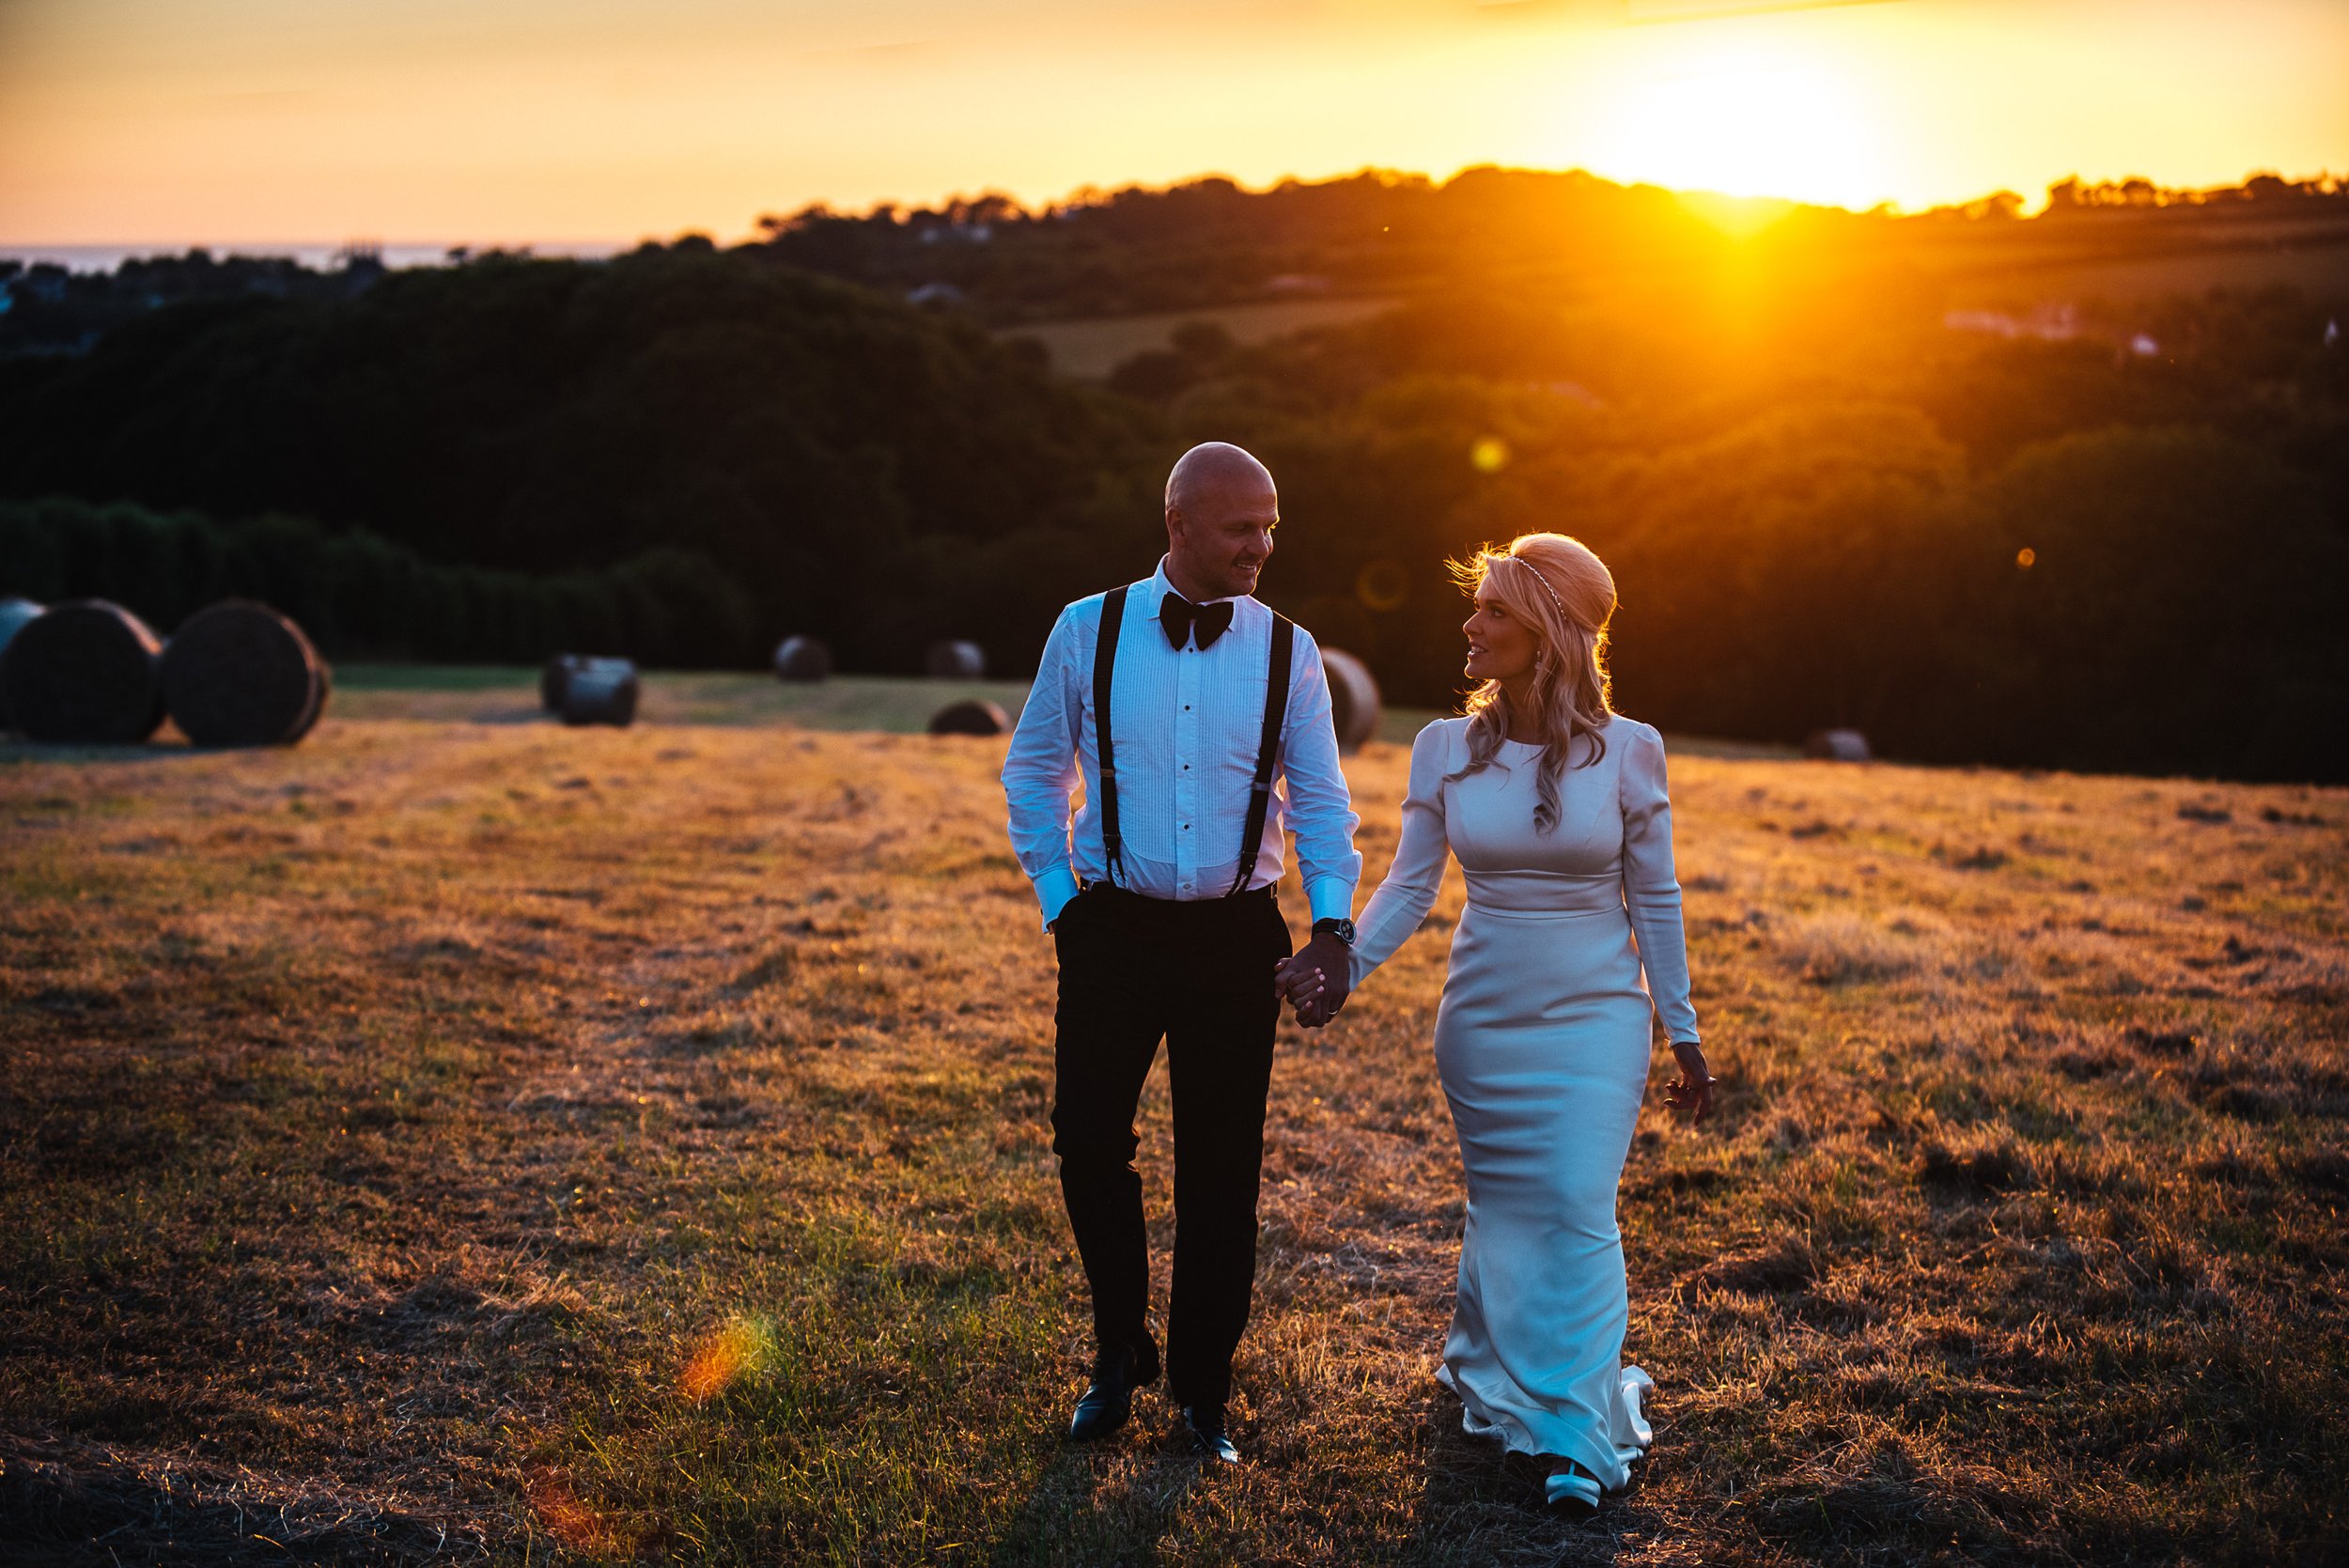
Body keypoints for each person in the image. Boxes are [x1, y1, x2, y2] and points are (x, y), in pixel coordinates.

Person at [1276, 532, 1713, 1514]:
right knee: (1507, 1207)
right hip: (1481, 1017)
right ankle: (1485, 1369)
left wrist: (1681, 1030)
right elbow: (1411, 884)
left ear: (1549, 631)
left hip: (1598, 1014)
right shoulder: (1444, 747)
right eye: (1475, 607)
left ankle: (1571, 1430)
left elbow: (1658, 899)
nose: (1470, 624)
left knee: (1573, 1204)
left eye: (1494, 610)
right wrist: (1345, 958)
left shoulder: (1630, 750)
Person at [1001, 442, 1362, 1466]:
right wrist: (1060, 903)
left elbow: (1323, 804)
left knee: (1221, 1171)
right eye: (1243, 527)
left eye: (1272, 524)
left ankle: (1203, 1393)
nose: (1263, 545)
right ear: (1179, 526)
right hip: (1109, 927)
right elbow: (1033, 771)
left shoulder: (1291, 651)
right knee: (1085, 1140)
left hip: (1235, 935)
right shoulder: (1087, 629)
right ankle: (1119, 1356)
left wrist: (1332, 927)